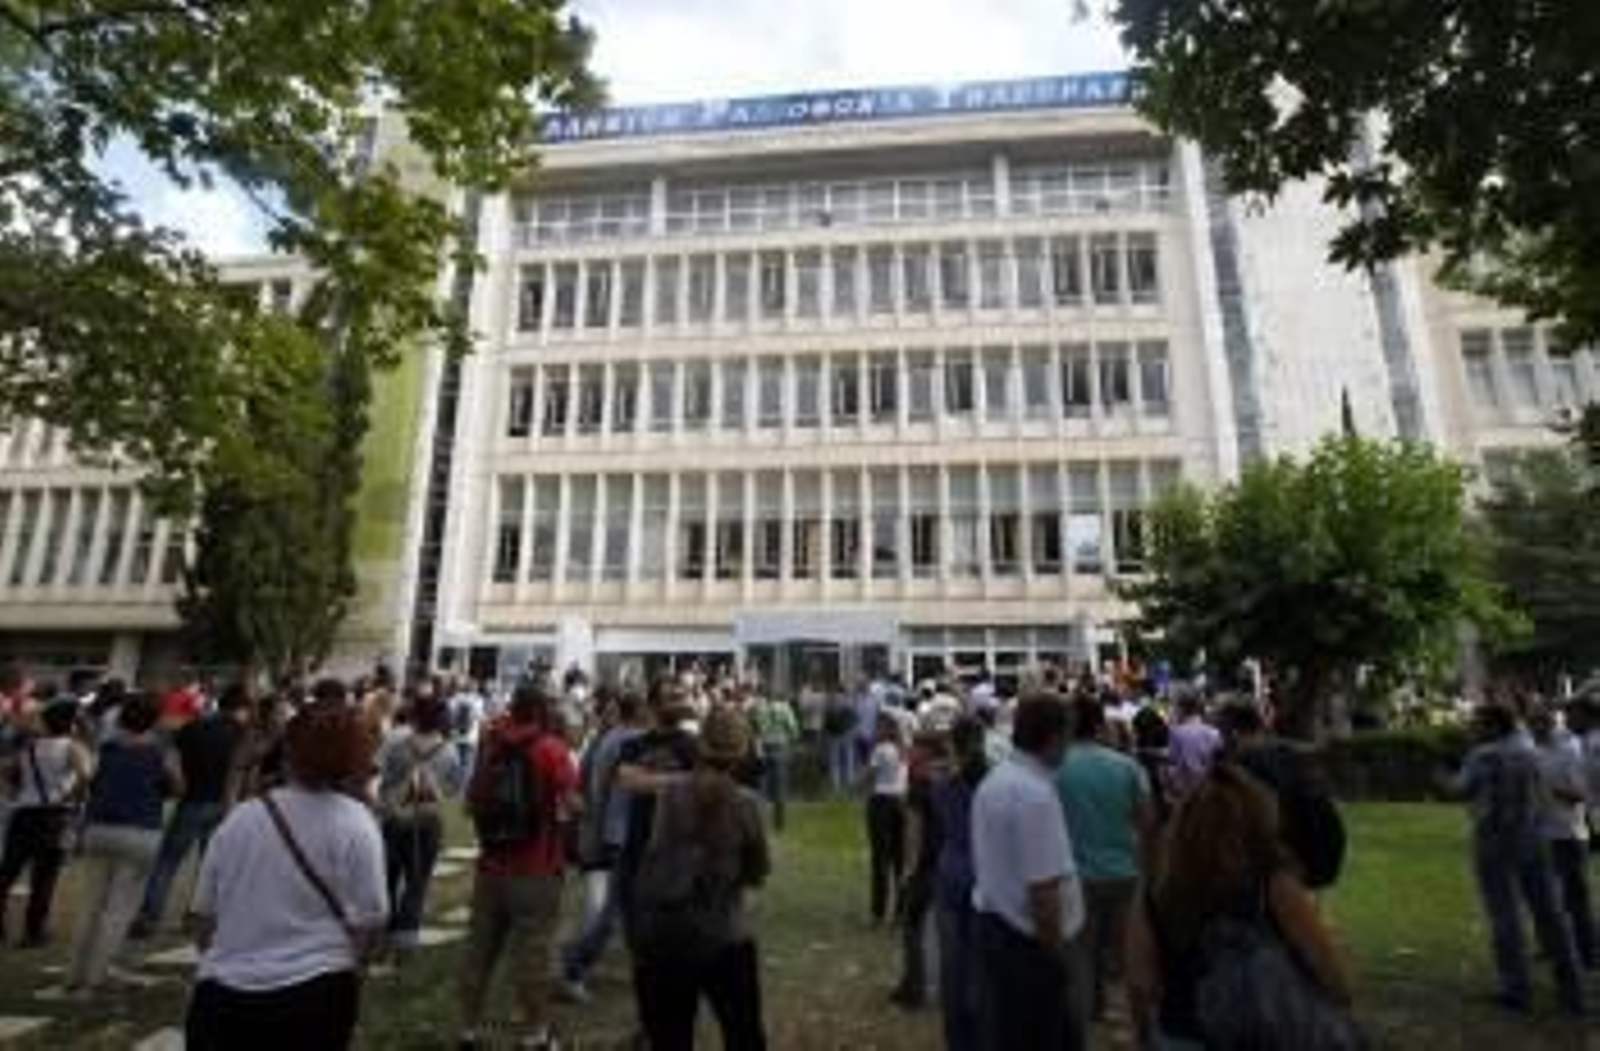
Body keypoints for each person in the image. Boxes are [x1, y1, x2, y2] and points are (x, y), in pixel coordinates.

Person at [184, 699, 385, 1051]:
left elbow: (202, 917)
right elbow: (370, 922)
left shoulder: (240, 820)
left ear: (287, 751)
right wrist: (353, 973)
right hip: (316, 993)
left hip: (222, 996)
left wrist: (231, 960)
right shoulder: (357, 824)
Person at [1125, 764, 1355, 1049]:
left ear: (1184, 820)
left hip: (1181, 1033)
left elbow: (1140, 979)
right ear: (1261, 819)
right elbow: (1333, 976)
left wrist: (1143, 1034)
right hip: (1264, 1035)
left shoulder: (1156, 885)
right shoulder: (1273, 884)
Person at [630, 704, 771, 1051]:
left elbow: (656, 853)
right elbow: (757, 872)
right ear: (742, 750)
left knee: (671, 1038)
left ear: (702, 744)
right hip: (725, 934)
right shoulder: (748, 803)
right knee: (744, 1036)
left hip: (667, 933)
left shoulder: (671, 793)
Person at [458, 681, 580, 1051]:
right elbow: (574, 803)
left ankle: (468, 1030)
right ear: (543, 711)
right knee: (533, 954)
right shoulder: (551, 750)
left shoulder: (491, 745)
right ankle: (535, 1035)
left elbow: (471, 803)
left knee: (479, 950)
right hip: (537, 867)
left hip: (492, 867)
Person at [971, 693, 1090, 1051]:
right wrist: (1057, 955)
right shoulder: (1034, 795)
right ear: (1053, 738)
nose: (1070, 747)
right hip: (1029, 945)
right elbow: (1043, 890)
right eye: (1068, 737)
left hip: (999, 930)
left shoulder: (998, 780)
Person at [1448, 703, 1584, 1014]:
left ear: (1493, 726)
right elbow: (1544, 793)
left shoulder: (1484, 755)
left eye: (1476, 724)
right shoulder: (1529, 748)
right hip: (1535, 841)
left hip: (1494, 845)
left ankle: (1516, 989)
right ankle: (1571, 988)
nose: (1471, 729)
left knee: (1505, 916)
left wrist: (1441, 775)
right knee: (1551, 915)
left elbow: (1461, 790)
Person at [66, 692, 182, 995]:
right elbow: (177, 786)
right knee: (118, 908)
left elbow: (91, 782)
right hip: (139, 831)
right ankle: (98, 974)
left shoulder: (107, 747)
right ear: (154, 720)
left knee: (90, 903)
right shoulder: (159, 751)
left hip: (98, 828)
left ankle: (74, 973)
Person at [1057, 694, 1157, 1020]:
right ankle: (1132, 1022)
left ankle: (1083, 1021)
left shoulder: (1055, 768)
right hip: (1125, 873)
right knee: (1129, 955)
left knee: (1080, 956)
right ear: (1100, 725)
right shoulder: (1127, 766)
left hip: (1076, 875)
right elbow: (1147, 823)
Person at [131, 683, 253, 939]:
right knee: (211, 867)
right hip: (225, 804)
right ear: (242, 709)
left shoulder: (195, 726)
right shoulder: (243, 733)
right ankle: (194, 920)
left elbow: (172, 753)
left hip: (192, 801)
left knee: (167, 861)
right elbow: (244, 770)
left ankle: (148, 917)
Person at [560, 689, 647, 1002]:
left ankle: (641, 970)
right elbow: (610, 795)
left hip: (607, 833)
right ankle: (574, 967)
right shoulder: (627, 742)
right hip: (616, 836)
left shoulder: (606, 740)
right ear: (638, 712)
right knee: (611, 912)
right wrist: (605, 834)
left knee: (624, 909)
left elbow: (587, 786)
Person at [1216, 700, 1347, 890]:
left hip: (1285, 860)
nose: (1220, 739)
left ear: (1233, 733)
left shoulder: (1244, 766)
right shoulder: (1284, 753)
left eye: (1221, 732)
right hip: (1318, 850)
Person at [376, 693, 464, 959]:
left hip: (394, 819)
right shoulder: (449, 750)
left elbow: (382, 777)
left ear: (414, 716)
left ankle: (383, 935)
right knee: (417, 882)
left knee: (387, 879)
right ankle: (405, 941)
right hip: (427, 822)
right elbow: (453, 788)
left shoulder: (396, 743)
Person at [0, 697, 92, 946]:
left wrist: (14, 792)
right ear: (70, 722)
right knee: (44, 878)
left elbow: (6, 771)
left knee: (7, 872)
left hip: (23, 813)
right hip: (53, 815)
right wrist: (69, 796)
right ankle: (33, 932)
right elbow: (85, 775)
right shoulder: (72, 747)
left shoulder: (29, 747)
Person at [930, 717, 988, 1051]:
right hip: (984, 875)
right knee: (981, 960)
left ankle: (958, 1037)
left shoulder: (943, 785)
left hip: (951, 872)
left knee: (953, 962)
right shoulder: (991, 780)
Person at [1528, 704, 1595, 970]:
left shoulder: (1570, 752)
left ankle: (1589, 953)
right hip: (1541, 833)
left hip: (1568, 835)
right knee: (1545, 897)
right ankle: (1552, 947)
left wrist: (1549, 792)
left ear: (1549, 724)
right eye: (1530, 724)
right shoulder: (1534, 752)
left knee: (1575, 899)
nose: (1533, 729)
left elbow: (1582, 795)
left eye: (1537, 723)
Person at [891, 727, 950, 1008]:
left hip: (926, 861)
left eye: (916, 746)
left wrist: (908, 867)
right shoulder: (952, 777)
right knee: (945, 928)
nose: (911, 750)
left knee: (912, 926)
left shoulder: (920, 782)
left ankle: (914, 987)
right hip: (950, 858)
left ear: (927, 751)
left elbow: (913, 829)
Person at [863, 712, 908, 925]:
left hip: (881, 801)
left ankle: (878, 911)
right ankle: (901, 910)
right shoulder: (903, 749)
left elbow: (870, 775)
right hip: (900, 801)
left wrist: (857, 785)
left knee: (880, 859)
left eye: (877, 726)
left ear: (885, 728)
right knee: (900, 859)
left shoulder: (880, 749)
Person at [747, 688, 799, 832]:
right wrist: (788, 738)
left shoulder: (759, 709)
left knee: (762, 786)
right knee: (780, 787)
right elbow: (794, 730)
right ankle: (779, 823)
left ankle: (760, 820)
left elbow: (754, 728)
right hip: (781, 748)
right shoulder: (785, 708)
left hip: (764, 748)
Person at [1166, 692, 1222, 802]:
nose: (1173, 712)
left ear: (1181, 709)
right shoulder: (1214, 732)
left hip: (1187, 790)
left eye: (1175, 708)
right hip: (1211, 787)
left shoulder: (1176, 733)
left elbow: (1174, 762)